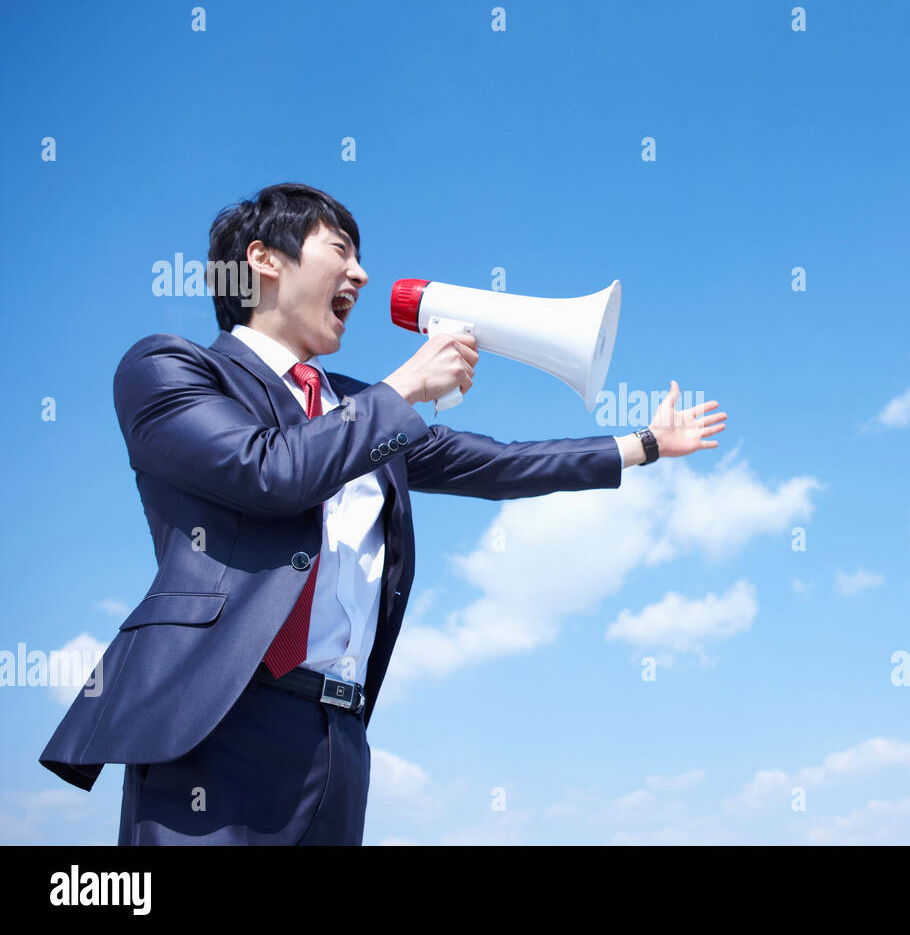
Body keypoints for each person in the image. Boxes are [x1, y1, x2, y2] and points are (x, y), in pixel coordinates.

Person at [39, 182, 726, 844]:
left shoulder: (360, 409)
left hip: (338, 738)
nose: (361, 275)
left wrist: (642, 445)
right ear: (263, 261)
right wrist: (402, 389)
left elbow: (497, 463)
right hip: (216, 719)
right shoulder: (170, 370)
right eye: (340, 249)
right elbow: (270, 472)